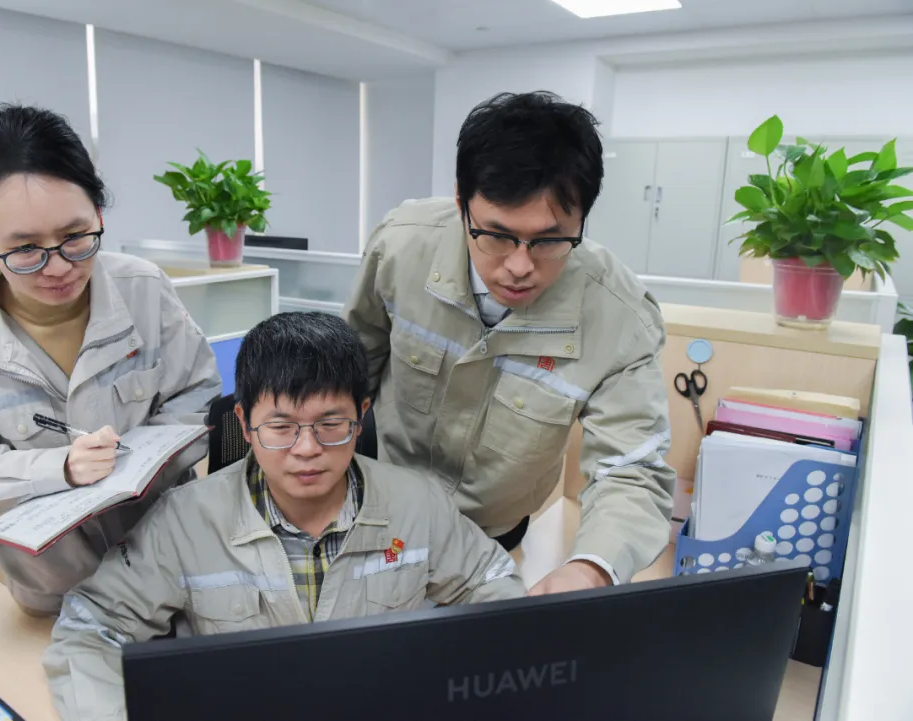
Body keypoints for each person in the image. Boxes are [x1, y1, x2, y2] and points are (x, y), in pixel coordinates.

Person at [43, 312, 524, 720]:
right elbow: (90, 628)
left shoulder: (418, 503)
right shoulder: (183, 522)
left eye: (330, 424)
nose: (307, 449)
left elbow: (492, 585)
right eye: (281, 426)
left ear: (361, 415)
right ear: (244, 424)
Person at [0, 104, 221, 615]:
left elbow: (197, 395)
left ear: (99, 214)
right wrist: (55, 468)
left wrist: (132, 461)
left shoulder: (144, 289)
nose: (59, 267)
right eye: (26, 249)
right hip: (55, 588)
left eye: (75, 236)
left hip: (172, 556)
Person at [344, 91, 676, 596]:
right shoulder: (401, 246)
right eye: (497, 235)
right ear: (462, 201)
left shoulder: (620, 318)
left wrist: (591, 568)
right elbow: (349, 372)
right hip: (376, 504)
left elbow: (633, 470)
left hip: (493, 533)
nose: (520, 266)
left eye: (549, 240)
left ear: (583, 218)